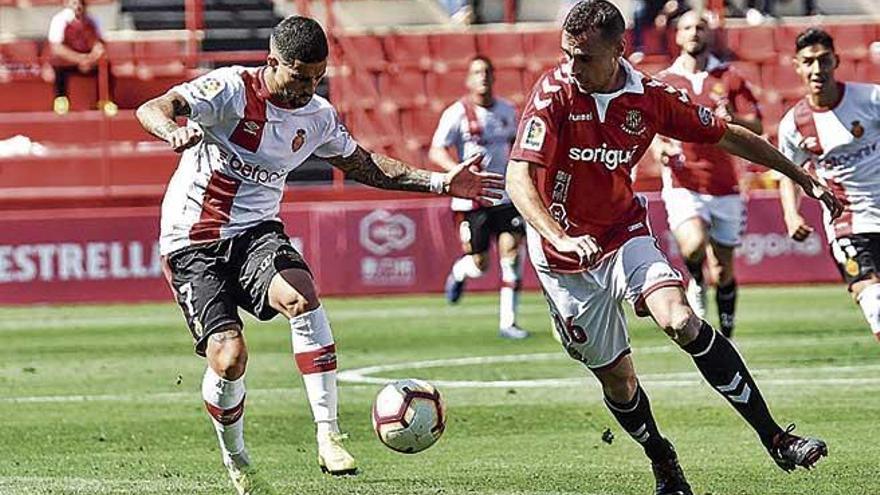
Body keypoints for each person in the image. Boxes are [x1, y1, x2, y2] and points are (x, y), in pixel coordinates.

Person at [136, 16, 503, 495]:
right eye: (299, 77)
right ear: (272, 63)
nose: (309, 88)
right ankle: (237, 457)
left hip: (255, 232)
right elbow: (153, 106)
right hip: (193, 239)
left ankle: (328, 433)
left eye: (317, 77)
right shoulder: (229, 89)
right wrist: (171, 129)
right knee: (228, 359)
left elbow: (365, 165)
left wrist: (438, 182)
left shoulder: (317, 116)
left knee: (302, 296)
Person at [505, 2, 839, 494]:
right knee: (619, 381)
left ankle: (776, 439)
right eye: (567, 54)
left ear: (619, 50)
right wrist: (558, 236)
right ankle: (662, 456)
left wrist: (799, 176)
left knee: (681, 319)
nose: (571, 66)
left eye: (583, 57)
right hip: (563, 260)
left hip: (622, 233)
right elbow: (518, 178)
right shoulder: (553, 92)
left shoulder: (650, 98)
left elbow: (729, 136)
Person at [653, 10, 763, 338]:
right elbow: (651, 129)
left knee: (724, 267)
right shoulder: (664, 82)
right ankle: (696, 281)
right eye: (687, 27)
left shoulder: (729, 77)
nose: (694, 32)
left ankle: (726, 334)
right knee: (693, 247)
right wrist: (659, 148)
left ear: (709, 33)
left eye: (700, 27)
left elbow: (756, 125)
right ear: (677, 35)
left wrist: (735, 121)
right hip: (683, 182)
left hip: (725, 184)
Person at [778, 27, 880, 343]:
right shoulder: (794, 124)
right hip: (848, 224)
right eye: (808, 62)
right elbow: (788, 172)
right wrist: (791, 215)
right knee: (875, 303)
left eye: (824, 60)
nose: (817, 69)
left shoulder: (872, 99)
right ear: (796, 66)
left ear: (836, 60)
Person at [431, 55, 528, 340]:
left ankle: (508, 323)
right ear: (468, 79)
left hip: (505, 197)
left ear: (494, 76)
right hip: (471, 201)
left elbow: (519, 147)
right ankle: (460, 272)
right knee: (480, 264)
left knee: (512, 252)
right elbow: (437, 150)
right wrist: (456, 173)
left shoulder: (507, 110)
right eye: (476, 72)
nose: (482, 77)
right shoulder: (456, 113)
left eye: (487, 71)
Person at [47, 0, 106, 114]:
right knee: (58, 67)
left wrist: (90, 59)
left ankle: (103, 101)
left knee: (105, 67)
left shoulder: (92, 20)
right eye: (74, 3)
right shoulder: (59, 20)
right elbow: (57, 48)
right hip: (68, 61)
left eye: (80, 3)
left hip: (89, 60)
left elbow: (99, 44)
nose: (78, 6)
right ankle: (61, 101)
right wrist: (79, 59)